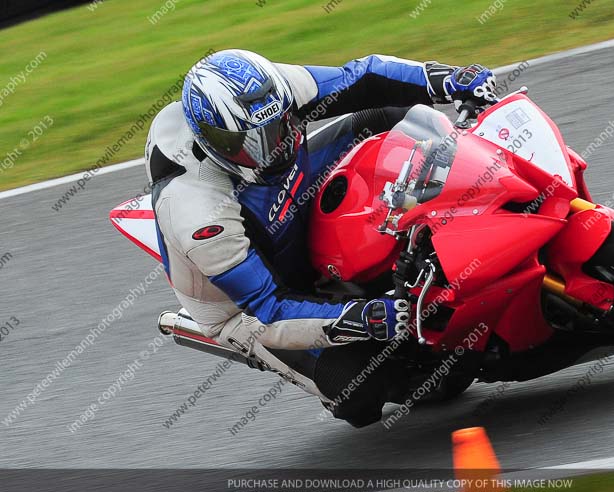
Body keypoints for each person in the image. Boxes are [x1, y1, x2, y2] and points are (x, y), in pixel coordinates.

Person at [145, 49, 497, 426]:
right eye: (249, 144)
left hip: (289, 197)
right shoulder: (196, 212)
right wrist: (362, 318)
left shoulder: (269, 90)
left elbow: (362, 78)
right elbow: (268, 306)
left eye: (280, 127)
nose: (272, 149)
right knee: (358, 389)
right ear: (212, 141)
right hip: (246, 305)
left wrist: (444, 79)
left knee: (389, 120)